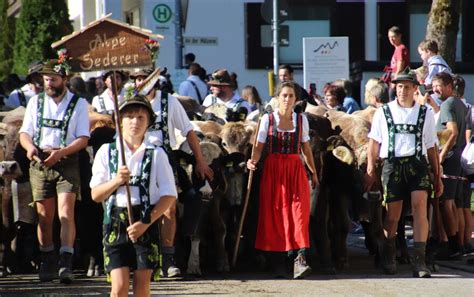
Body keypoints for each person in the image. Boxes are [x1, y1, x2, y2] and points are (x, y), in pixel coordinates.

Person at [90, 95, 177, 297]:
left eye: (140, 117)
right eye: (129, 116)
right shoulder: (107, 151)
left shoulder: (156, 154)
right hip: (114, 224)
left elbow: (169, 194)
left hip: (146, 220)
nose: (135, 122)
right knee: (119, 287)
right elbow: (95, 194)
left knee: (141, 287)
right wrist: (116, 181)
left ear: (148, 122)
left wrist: (145, 223)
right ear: (120, 121)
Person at [132, 68, 213, 277]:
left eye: (143, 78)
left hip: (164, 159)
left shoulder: (169, 101)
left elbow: (188, 131)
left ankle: (168, 260)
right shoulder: (129, 104)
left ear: (154, 81)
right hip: (137, 160)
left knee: (169, 209)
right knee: (138, 207)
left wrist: (201, 161)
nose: (140, 83)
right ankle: (143, 257)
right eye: (137, 79)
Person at [19, 59, 90, 283]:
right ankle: (47, 259)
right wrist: (30, 148)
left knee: (66, 214)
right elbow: (25, 133)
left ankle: (65, 263)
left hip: (66, 160)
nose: (48, 83)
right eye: (46, 79)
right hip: (40, 161)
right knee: (44, 217)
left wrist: (61, 153)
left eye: (53, 79)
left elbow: (83, 138)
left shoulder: (78, 103)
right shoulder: (35, 102)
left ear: (64, 79)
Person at [364, 69, 441, 278]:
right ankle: (389, 254)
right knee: (393, 216)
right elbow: (374, 142)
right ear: (394, 88)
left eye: (407, 87)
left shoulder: (425, 114)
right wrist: (370, 169)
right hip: (392, 165)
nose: (402, 91)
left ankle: (420, 262)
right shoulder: (383, 112)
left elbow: (432, 146)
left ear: (415, 89)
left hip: (417, 165)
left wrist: (437, 173)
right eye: (399, 87)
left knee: (420, 210)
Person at [247, 81, 318, 279]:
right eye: (284, 96)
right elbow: (259, 146)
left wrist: (313, 171)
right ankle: (277, 261)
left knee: (299, 213)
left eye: (291, 96)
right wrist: (252, 162)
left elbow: (305, 148)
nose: (287, 99)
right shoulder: (267, 120)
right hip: (274, 169)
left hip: (295, 169)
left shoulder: (301, 120)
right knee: (276, 214)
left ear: (296, 100)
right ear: (278, 98)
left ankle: (300, 259)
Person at [433, 72, 468, 258]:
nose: (434, 89)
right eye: (433, 85)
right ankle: (459, 245)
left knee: (445, 203)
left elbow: (452, 132)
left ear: (448, 86)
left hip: (450, 157)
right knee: (453, 203)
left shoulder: (447, 104)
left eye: (438, 85)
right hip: (459, 157)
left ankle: (452, 246)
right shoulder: (459, 103)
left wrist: (441, 156)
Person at [452, 74, 473, 254]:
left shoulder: (461, 109)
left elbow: (467, 138)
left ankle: (460, 242)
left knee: (460, 204)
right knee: (466, 205)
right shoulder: (469, 107)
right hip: (469, 164)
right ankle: (467, 241)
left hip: (464, 161)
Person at [385, 26, 409, 100]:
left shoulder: (400, 48)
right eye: (389, 37)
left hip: (398, 78)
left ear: (399, 36)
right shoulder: (398, 49)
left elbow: (400, 65)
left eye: (393, 37)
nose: (391, 39)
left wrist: (394, 80)